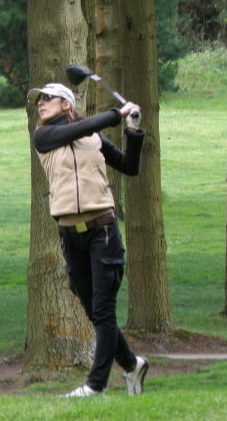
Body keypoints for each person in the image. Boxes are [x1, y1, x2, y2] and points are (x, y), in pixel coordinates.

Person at [28, 83, 149, 397]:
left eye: (47, 98)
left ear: (66, 104)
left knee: (104, 310)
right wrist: (114, 114)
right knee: (96, 312)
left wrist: (132, 130)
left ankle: (95, 385)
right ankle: (132, 364)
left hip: (102, 231)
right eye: (38, 99)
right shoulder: (43, 137)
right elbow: (77, 129)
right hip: (70, 237)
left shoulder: (93, 138)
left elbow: (129, 167)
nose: (40, 103)